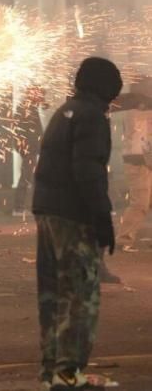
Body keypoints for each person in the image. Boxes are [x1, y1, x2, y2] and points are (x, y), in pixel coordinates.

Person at [32, 57, 122, 390]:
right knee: (80, 296)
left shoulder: (64, 111)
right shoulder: (92, 116)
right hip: (74, 216)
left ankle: (51, 372)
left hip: (48, 212)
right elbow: (89, 171)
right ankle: (69, 375)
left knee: (53, 296)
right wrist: (102, 217)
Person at [116, 77, 152, 252]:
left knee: (144, 201)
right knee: (140, 202)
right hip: (139, 162)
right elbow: (143, 141)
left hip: (142, 161)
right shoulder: (138, 113)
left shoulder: (137, 111)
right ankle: (125, 238)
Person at [13, 86, 46, 217]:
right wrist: (24, 147)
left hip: (32, 147)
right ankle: (19, 207)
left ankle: (23, 207)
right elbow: (20, 130)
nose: (40, 97)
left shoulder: (29, 107)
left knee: (29, 176)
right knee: (26, 176)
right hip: (30, 148)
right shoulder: (25, 108)